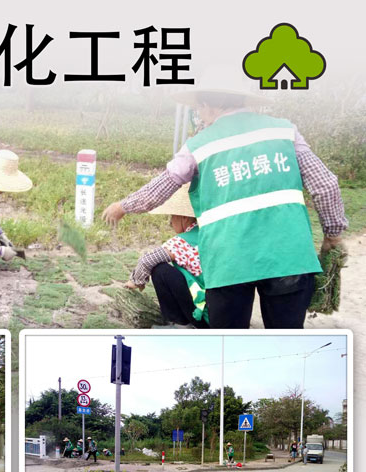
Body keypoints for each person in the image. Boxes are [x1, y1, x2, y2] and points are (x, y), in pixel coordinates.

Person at [103, 68, 347, 329]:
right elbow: (326, 185)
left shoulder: (199, 145)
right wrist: (332, 236)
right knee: (287, 343)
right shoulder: (283, 131)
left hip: (229, 260)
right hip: (288, 255)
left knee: (226, 346)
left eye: (199, 108)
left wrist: (122, 206)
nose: (199, 115)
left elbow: (159, 190)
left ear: (209, 105)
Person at [126, 184, 209, 328]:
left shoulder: (182, 242)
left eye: (172, 217)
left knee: (161, 269)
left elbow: (148, 260)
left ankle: (178, 323)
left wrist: (136, 281)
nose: (170, 222)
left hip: (202, 314)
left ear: (183, 217)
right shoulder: (208, 233)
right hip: (220, 310)